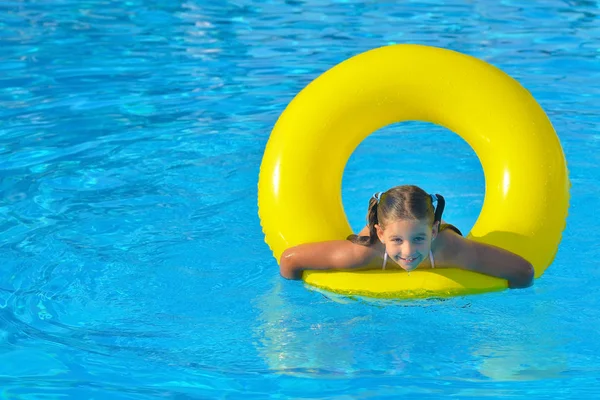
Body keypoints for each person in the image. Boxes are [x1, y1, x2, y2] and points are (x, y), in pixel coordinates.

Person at [279, 185, 534, 289]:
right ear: (380, 233)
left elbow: (523, 271)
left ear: (433, 232)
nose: (409, 251)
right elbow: (290, 261)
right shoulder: (365, 251)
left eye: (420, 238)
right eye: (397, 241)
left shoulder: (451, 249)